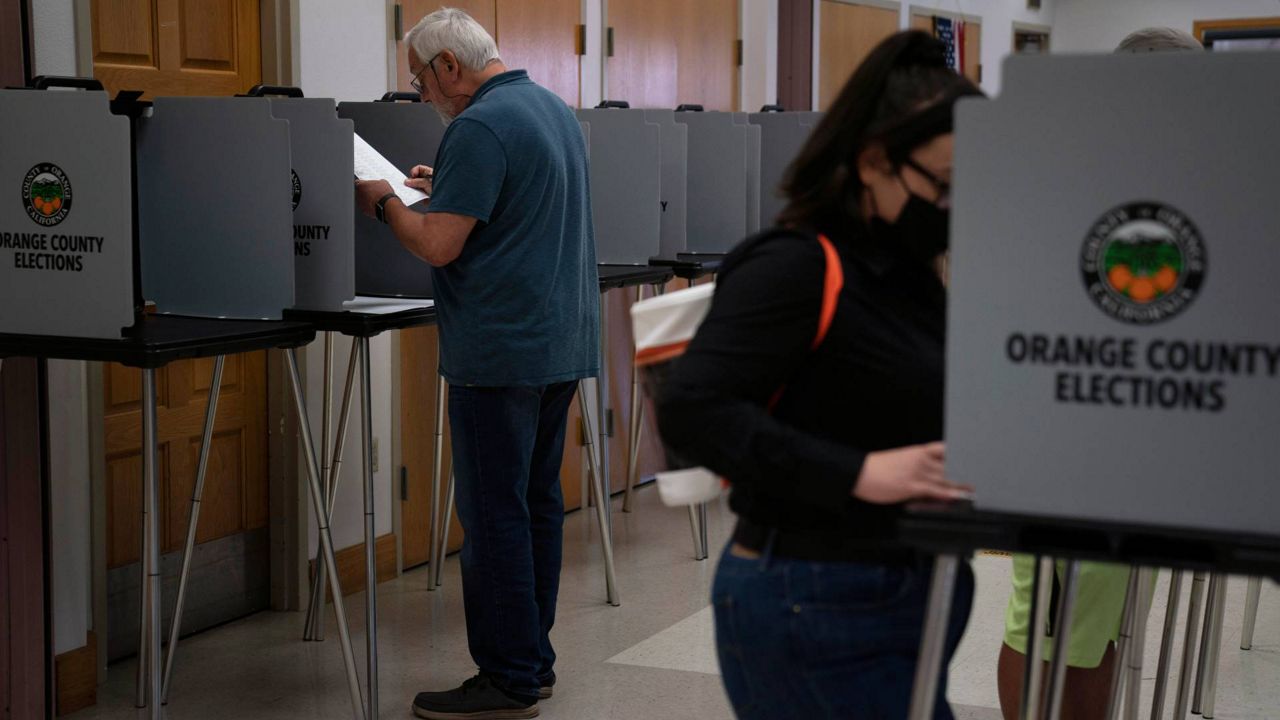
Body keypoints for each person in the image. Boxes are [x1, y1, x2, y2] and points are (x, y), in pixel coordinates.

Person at [656, 30, 982, 719]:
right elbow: (692, 405)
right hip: (816, 599)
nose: (954, 210)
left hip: (900, 591)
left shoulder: (908, 271)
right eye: (944, 187)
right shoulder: (795, 266)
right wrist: (858, 473)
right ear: (871, 162)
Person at [354, 8, 599, 719]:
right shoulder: (550, 108)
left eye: (420, 82)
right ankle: (534, 661)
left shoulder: (481, 125)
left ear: (449, 67)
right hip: (557, 345)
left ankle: (507, 677)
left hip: (500, 352)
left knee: (494, 516)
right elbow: (515, 208)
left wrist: (386, 204)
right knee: (536, 506)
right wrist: (448, 190)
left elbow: (437, 247)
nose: (422, 95)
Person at [995, 28, 1203, 720]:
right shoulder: (1079, 181)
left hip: (1136, 435)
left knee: (1098, 625)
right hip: (1070, 444)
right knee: (1051, 628)